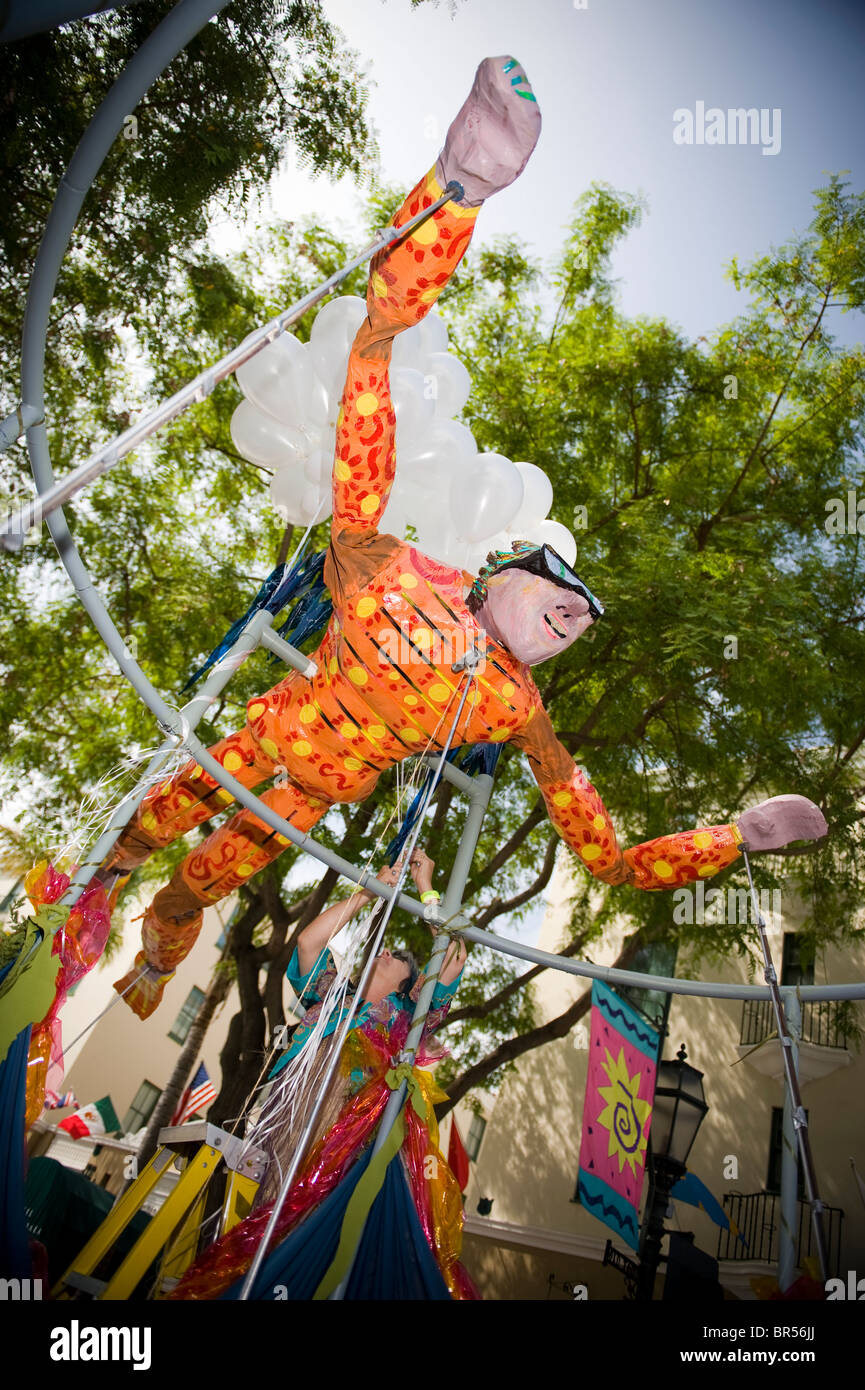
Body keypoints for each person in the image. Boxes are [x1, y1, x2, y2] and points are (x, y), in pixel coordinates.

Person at [103, 55, 827, 1020]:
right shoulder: (387, 560)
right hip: (265, 734)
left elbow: (602, 855)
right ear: (500, 573)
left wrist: (736, 837)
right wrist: (456, 194)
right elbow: (372, 364)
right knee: (145, 828)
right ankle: (81, 899)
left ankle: (153, 952)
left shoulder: (516, 707)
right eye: (558, 590)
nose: (573, 616)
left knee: (199, 881)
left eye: (581, 619)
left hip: (303, 805)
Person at [170, 848, 475, 1301]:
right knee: (275, 1215)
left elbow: (453, 953)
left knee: (320, 1223)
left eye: (396, 958)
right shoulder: (331, 992)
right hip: (290, 1124)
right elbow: (309, 944)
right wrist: (369, 893)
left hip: (348, 1139)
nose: (384, 950)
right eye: (384, 949)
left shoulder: (408, 1019)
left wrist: (426, 887)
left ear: (410, 984)